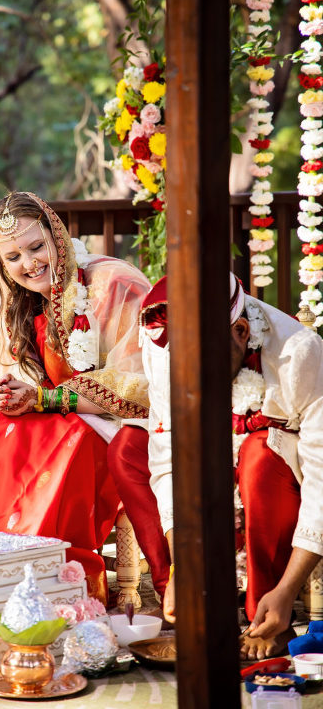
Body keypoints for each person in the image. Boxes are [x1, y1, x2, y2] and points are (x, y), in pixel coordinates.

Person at [0, 191, 151, 602]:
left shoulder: (112, 282)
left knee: (59, 444)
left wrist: (47, 401)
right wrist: (8, 392)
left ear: (58, 237)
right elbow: (23, 374)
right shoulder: (18, 299)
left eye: (36, 247)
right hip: (50, 415)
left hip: (113, 421)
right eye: (12, 257)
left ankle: (46, 585)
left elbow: (143, 384)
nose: (27, 264)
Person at [109, 272, 323, 658]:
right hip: (203, 459)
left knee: (258, 454)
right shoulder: (161, 344)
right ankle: (188, 599)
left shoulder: (299, 353)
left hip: (276, 474)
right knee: (129, 449)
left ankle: (267, 613)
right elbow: (165, 453)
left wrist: (288, 589)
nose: (194, 377)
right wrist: (181, 568)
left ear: (241, 331)